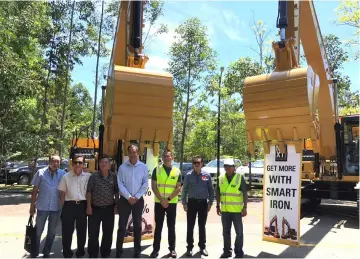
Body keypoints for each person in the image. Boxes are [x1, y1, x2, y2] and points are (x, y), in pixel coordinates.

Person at [29, 155, 65, 258]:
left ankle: (46, 252)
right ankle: (34, 252)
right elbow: (35, 191)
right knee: (38, 232)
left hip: (56, 208)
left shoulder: (63, 174)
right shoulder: (40, 173)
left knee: (52, 233)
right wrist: (32, 207)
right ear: (49, 161)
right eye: (54, 161)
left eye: (58, 162)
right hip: (42, 207)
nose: (56, 163)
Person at [116, 144, 149, 258]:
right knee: (122, 226)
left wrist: (136, 196)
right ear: (128, 153)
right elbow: (120, 184)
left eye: (134, 152)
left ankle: (137, 251)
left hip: (138, 200)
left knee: (138, 226)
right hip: (125, 200)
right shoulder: (122, 167)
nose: (132, 154)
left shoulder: (144, 167)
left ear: (138, 153)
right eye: (130, 152)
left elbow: (145, 183)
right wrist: (129, 196)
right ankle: (118, 251)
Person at [150, 149, 182, 258]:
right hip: (159, 203)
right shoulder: (157, 170)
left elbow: (178, 188)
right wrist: (162, 200)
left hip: (171, 203)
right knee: (158, 227)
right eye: (164, 156)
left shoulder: (177, 171)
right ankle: (155, 250)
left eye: (168, 156)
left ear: (172, 157)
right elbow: (154, 187)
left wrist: (167, 200)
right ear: (162, 158)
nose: (166, 158)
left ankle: (172, 249)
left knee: (171, 227)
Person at [58, 154, 91, 258]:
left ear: (83, 164)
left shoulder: (88, 176)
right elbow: (62, 193)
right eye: (75, 162)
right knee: (67, 232)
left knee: (81, 232)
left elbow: (90, 192)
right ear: (72, 164)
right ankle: (67, 254)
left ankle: (80, 253)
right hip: (69, 206)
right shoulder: (66, 176)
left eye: (80, 162)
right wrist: (63, 208)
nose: (77, 164)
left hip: (82, 206)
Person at [86, 154, 119, 258]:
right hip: (95, 209)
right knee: (93, 234)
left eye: (106, 162)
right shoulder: (93, 176)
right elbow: (89, 192)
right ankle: (93, 254)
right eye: (101, 162)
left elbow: (116, 192)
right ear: (98, 164)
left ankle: (105, 254)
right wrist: (88, 206)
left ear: (109, 165)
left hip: (109, 210)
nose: (103, 164)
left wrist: (116, 206)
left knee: (108, 234)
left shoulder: (113, 176)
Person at [181, 155, 214, 257]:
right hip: (191, 203)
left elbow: (211, 190)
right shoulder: (188, 175)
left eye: (198, 163)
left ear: (202, 164)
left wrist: (210, 203)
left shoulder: (207, 175)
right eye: (195, 163)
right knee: (190, 226)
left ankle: (202, 247)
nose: (197, 164)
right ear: (193, 164)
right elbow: (184, 190)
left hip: (203, 203)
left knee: (202, 226)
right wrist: (184, 203)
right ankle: (189, 248)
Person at [216, 158, 248, 258]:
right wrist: (217, 205)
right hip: (225, 211)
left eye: (230, 166)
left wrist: (245, 207)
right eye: (226, 166)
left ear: (234, 168)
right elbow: (218, 192)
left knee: (239, 233)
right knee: (226, 232)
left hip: (236, 211)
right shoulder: (220, 178)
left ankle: (238, 252)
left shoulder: (239, 177)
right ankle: (227, 252)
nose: (228, 168)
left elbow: (245, 194)